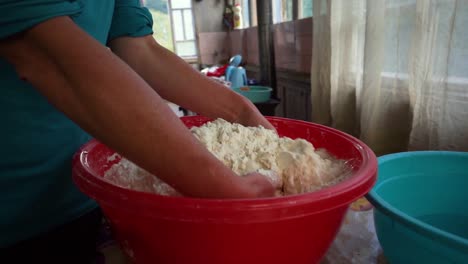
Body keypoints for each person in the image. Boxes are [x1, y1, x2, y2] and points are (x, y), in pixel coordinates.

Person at [0, 1, 275, 262]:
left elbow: (140, 50)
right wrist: (224, 186)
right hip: (14, 216)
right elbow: (41, 52)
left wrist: (242, 113)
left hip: (85, 199)